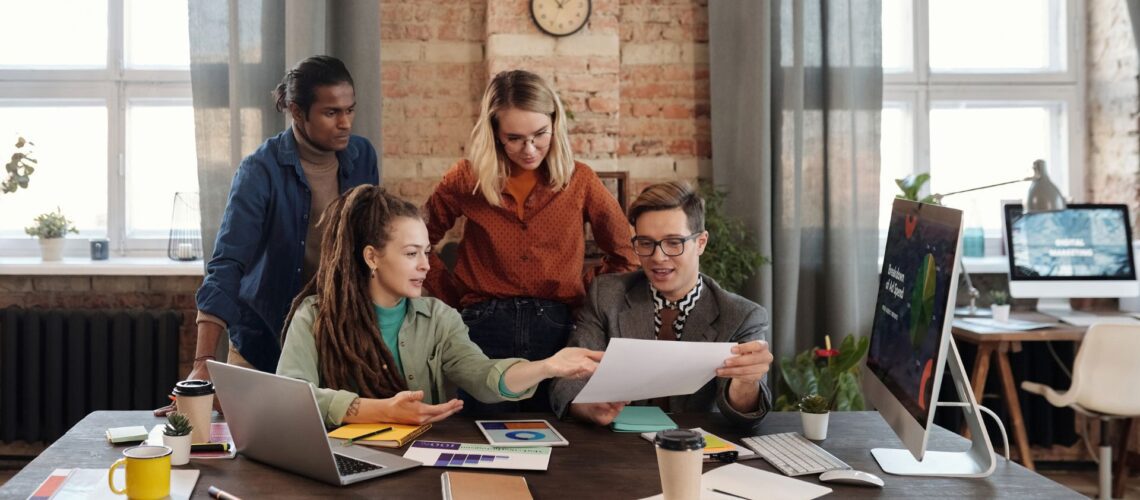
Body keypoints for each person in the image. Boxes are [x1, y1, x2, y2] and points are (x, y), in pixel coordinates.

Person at [155, 56, 377, 416]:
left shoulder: (362, 155)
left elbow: (371, 247)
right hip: (263, 342)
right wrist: (203, 362)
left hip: (337, 343)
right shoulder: (260, 170)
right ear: (296, 111)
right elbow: (227, 263)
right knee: (250, 460)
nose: (345, 123)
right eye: (331, 112)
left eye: (350, 110)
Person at [277, 185, 603, 425]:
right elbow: (290, 398)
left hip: (421, 466)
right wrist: (380, 410)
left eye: (426, 251)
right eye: (411, 253)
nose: (426, 265)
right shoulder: (315, 316)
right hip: (341, 463)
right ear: (372, 256)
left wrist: (547, 366)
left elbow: (483, 376)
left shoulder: (439, 318)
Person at [422, 70, 638, 414]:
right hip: (482, 329)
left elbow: (627, 254)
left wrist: (581, 288)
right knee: (482, 436)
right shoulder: (466, 179)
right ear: (495, 133)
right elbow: (418, 243)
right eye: (515, 138)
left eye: (540, 134)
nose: (529, 148)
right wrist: (453, 296)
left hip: (555, 328)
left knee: (557, 438)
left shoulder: (580, 181)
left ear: (555, 123)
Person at [550, 181, 775, 427]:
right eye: (646, 243)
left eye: (673, 243)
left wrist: (746, 381)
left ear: (700, 243)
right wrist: (586, 406)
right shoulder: (606, 295)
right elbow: (566, 381)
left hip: (697, 450)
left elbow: (743, 416)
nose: (658, 257)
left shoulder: (742, 315)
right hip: (617, 447)